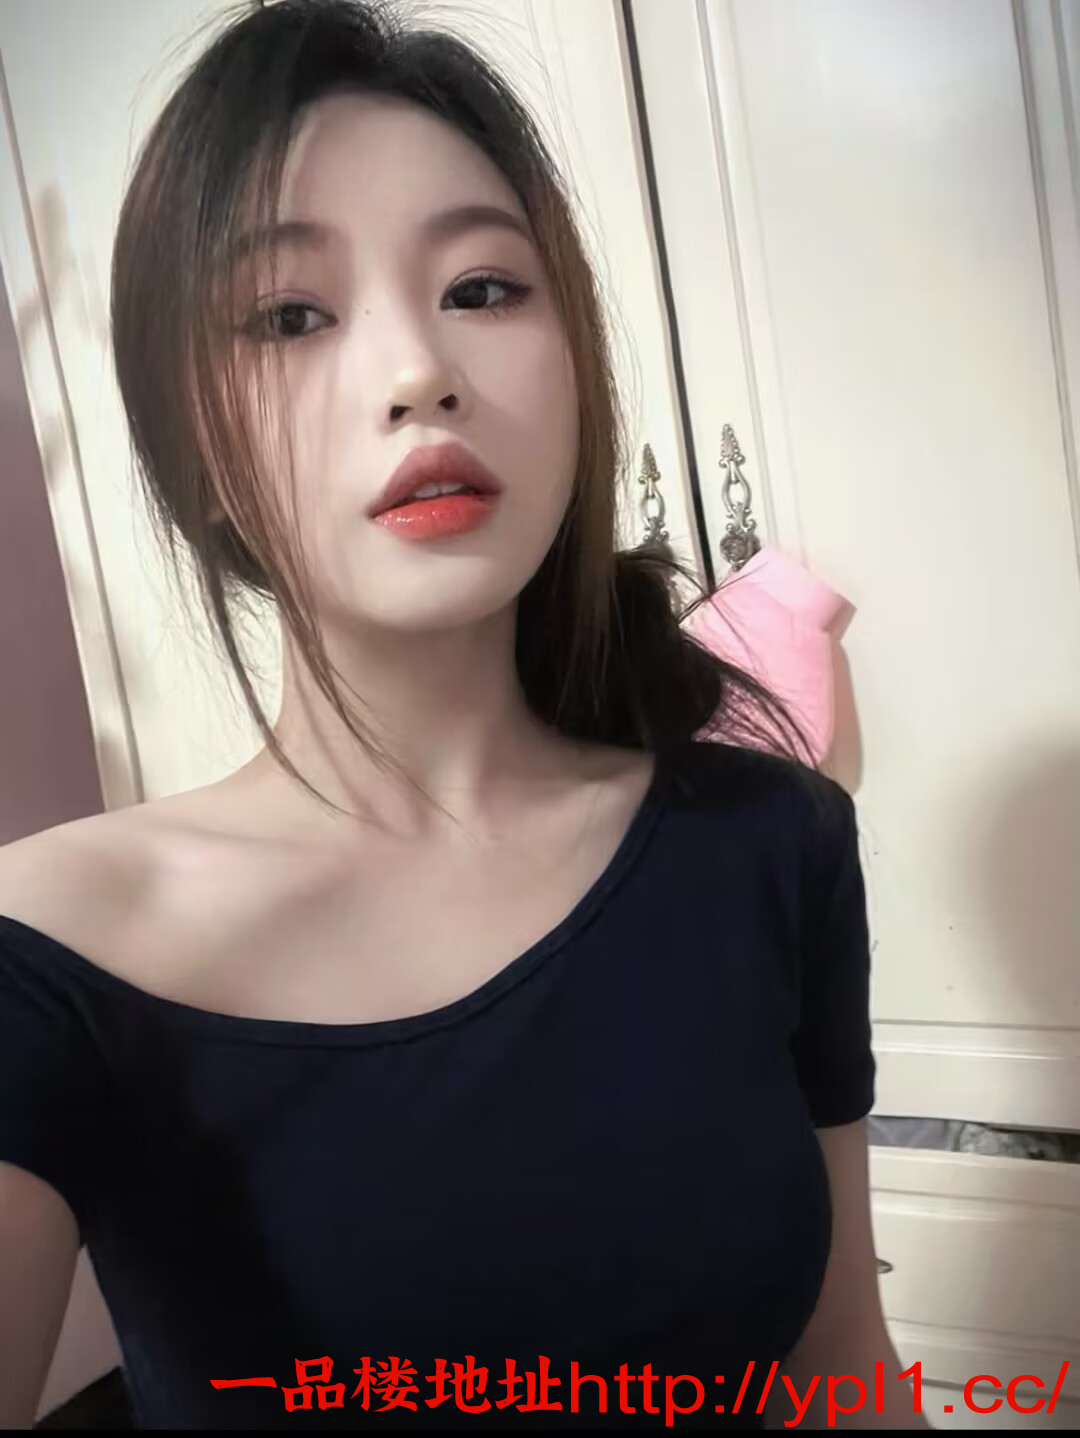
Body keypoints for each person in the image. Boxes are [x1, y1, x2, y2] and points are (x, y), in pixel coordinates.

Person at [0, 1, 925, 1429]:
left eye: (483, 288)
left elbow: (844, 1362)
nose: (418, 371)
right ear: (201, 446)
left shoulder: (773, 841)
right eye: (291, 315)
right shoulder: (54, 954)